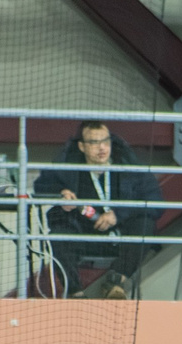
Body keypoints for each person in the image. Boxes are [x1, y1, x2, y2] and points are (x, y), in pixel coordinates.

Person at [36, 120, 160, 299]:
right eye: (94, 143)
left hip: (122, 236)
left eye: (106, 141)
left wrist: (118, 214)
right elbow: (40, 186)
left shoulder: (128, 165)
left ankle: (116, 282)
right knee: (59, 231)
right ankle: (75, 293)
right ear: (81, 146)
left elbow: (156, 200)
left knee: (146, 223)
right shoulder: (68, 166)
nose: (101, 148)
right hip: (85, 236)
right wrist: (60, 193)